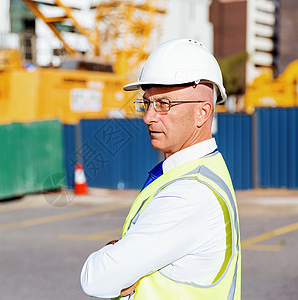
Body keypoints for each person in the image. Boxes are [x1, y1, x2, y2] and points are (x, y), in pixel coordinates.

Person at [80, 38, 241, 299]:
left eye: (164, 104)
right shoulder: (203, 169)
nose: (148, 116)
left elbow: (96, 278)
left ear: (203, 112)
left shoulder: (189, 194)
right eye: (147, 103)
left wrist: (116, 254)